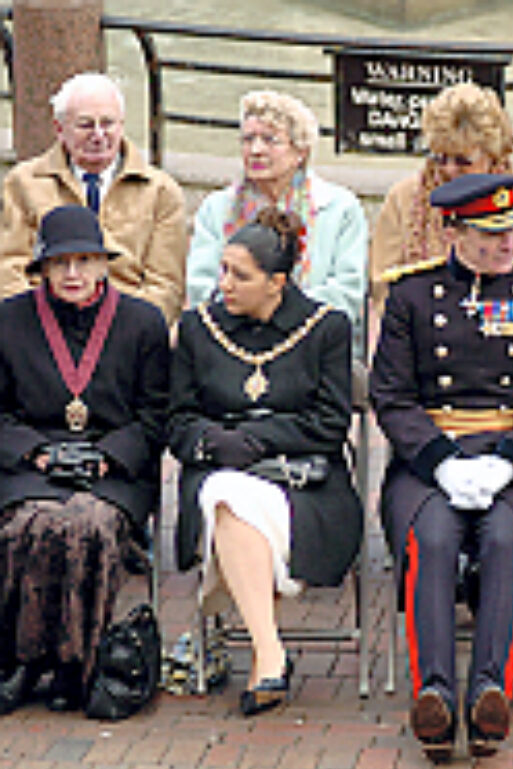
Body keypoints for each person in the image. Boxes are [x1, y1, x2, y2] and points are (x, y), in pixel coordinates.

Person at [370, 174, 513, 761]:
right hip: (431, 455)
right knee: (431, 538)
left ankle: (489, 693)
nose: (506, 245)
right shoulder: (411, 297)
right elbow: (392, 395)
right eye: (489, 234)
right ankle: (433, 692)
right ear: (452, 231)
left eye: (512, 231)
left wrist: (510, 462)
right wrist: (440, 461)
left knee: (507, 538)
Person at [170, 208, 362, 717]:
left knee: (235, 502)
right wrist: (216, 443)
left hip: (304, 483)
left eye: (240, 275)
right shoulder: (198, 327)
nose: (224, 284)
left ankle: (265, 652)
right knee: (225, 496)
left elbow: (330, 424)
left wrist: (255, 440)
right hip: (215, 470)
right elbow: (178, 421)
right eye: (223, 270)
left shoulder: (326, 328)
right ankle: (269, 653)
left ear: (277, 282)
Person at [0, 205, 169, 714]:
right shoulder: (9, 320)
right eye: (60, 264)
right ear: (43, 269)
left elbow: (156, 414)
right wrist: (38, 452)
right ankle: (23, 661)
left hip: (112, 462)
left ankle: (77, 664)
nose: (72, 274)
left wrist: (108, 459)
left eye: (84, 261)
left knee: (88, 526)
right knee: (28, 525)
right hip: (33, 460)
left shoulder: (143, 322)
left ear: (103, 265)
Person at [0, 73, 187, 324]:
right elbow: (8, 270)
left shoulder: (161, 191)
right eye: (85, 125)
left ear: (122, 125)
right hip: (43, 328)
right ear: (59, 129)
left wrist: (127, 335)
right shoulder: (23, 183)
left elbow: (166, 287)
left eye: (108, 123)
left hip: (127, 332)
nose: (98, 135)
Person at [186, 90, 368, 343]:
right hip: (231, 340)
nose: (256, 150)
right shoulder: (216, 208)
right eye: (248, 139)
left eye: (271, 140)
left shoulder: (341, 209)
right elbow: (200, 288)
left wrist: (278, 315)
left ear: (301, 151)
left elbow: (347, 293)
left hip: (312, 341)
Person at [368, 82, 513, 311]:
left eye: (463, 161)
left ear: (493, 155)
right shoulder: (404, 200)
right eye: (440, 158)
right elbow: (384, 293)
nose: (449, 170)